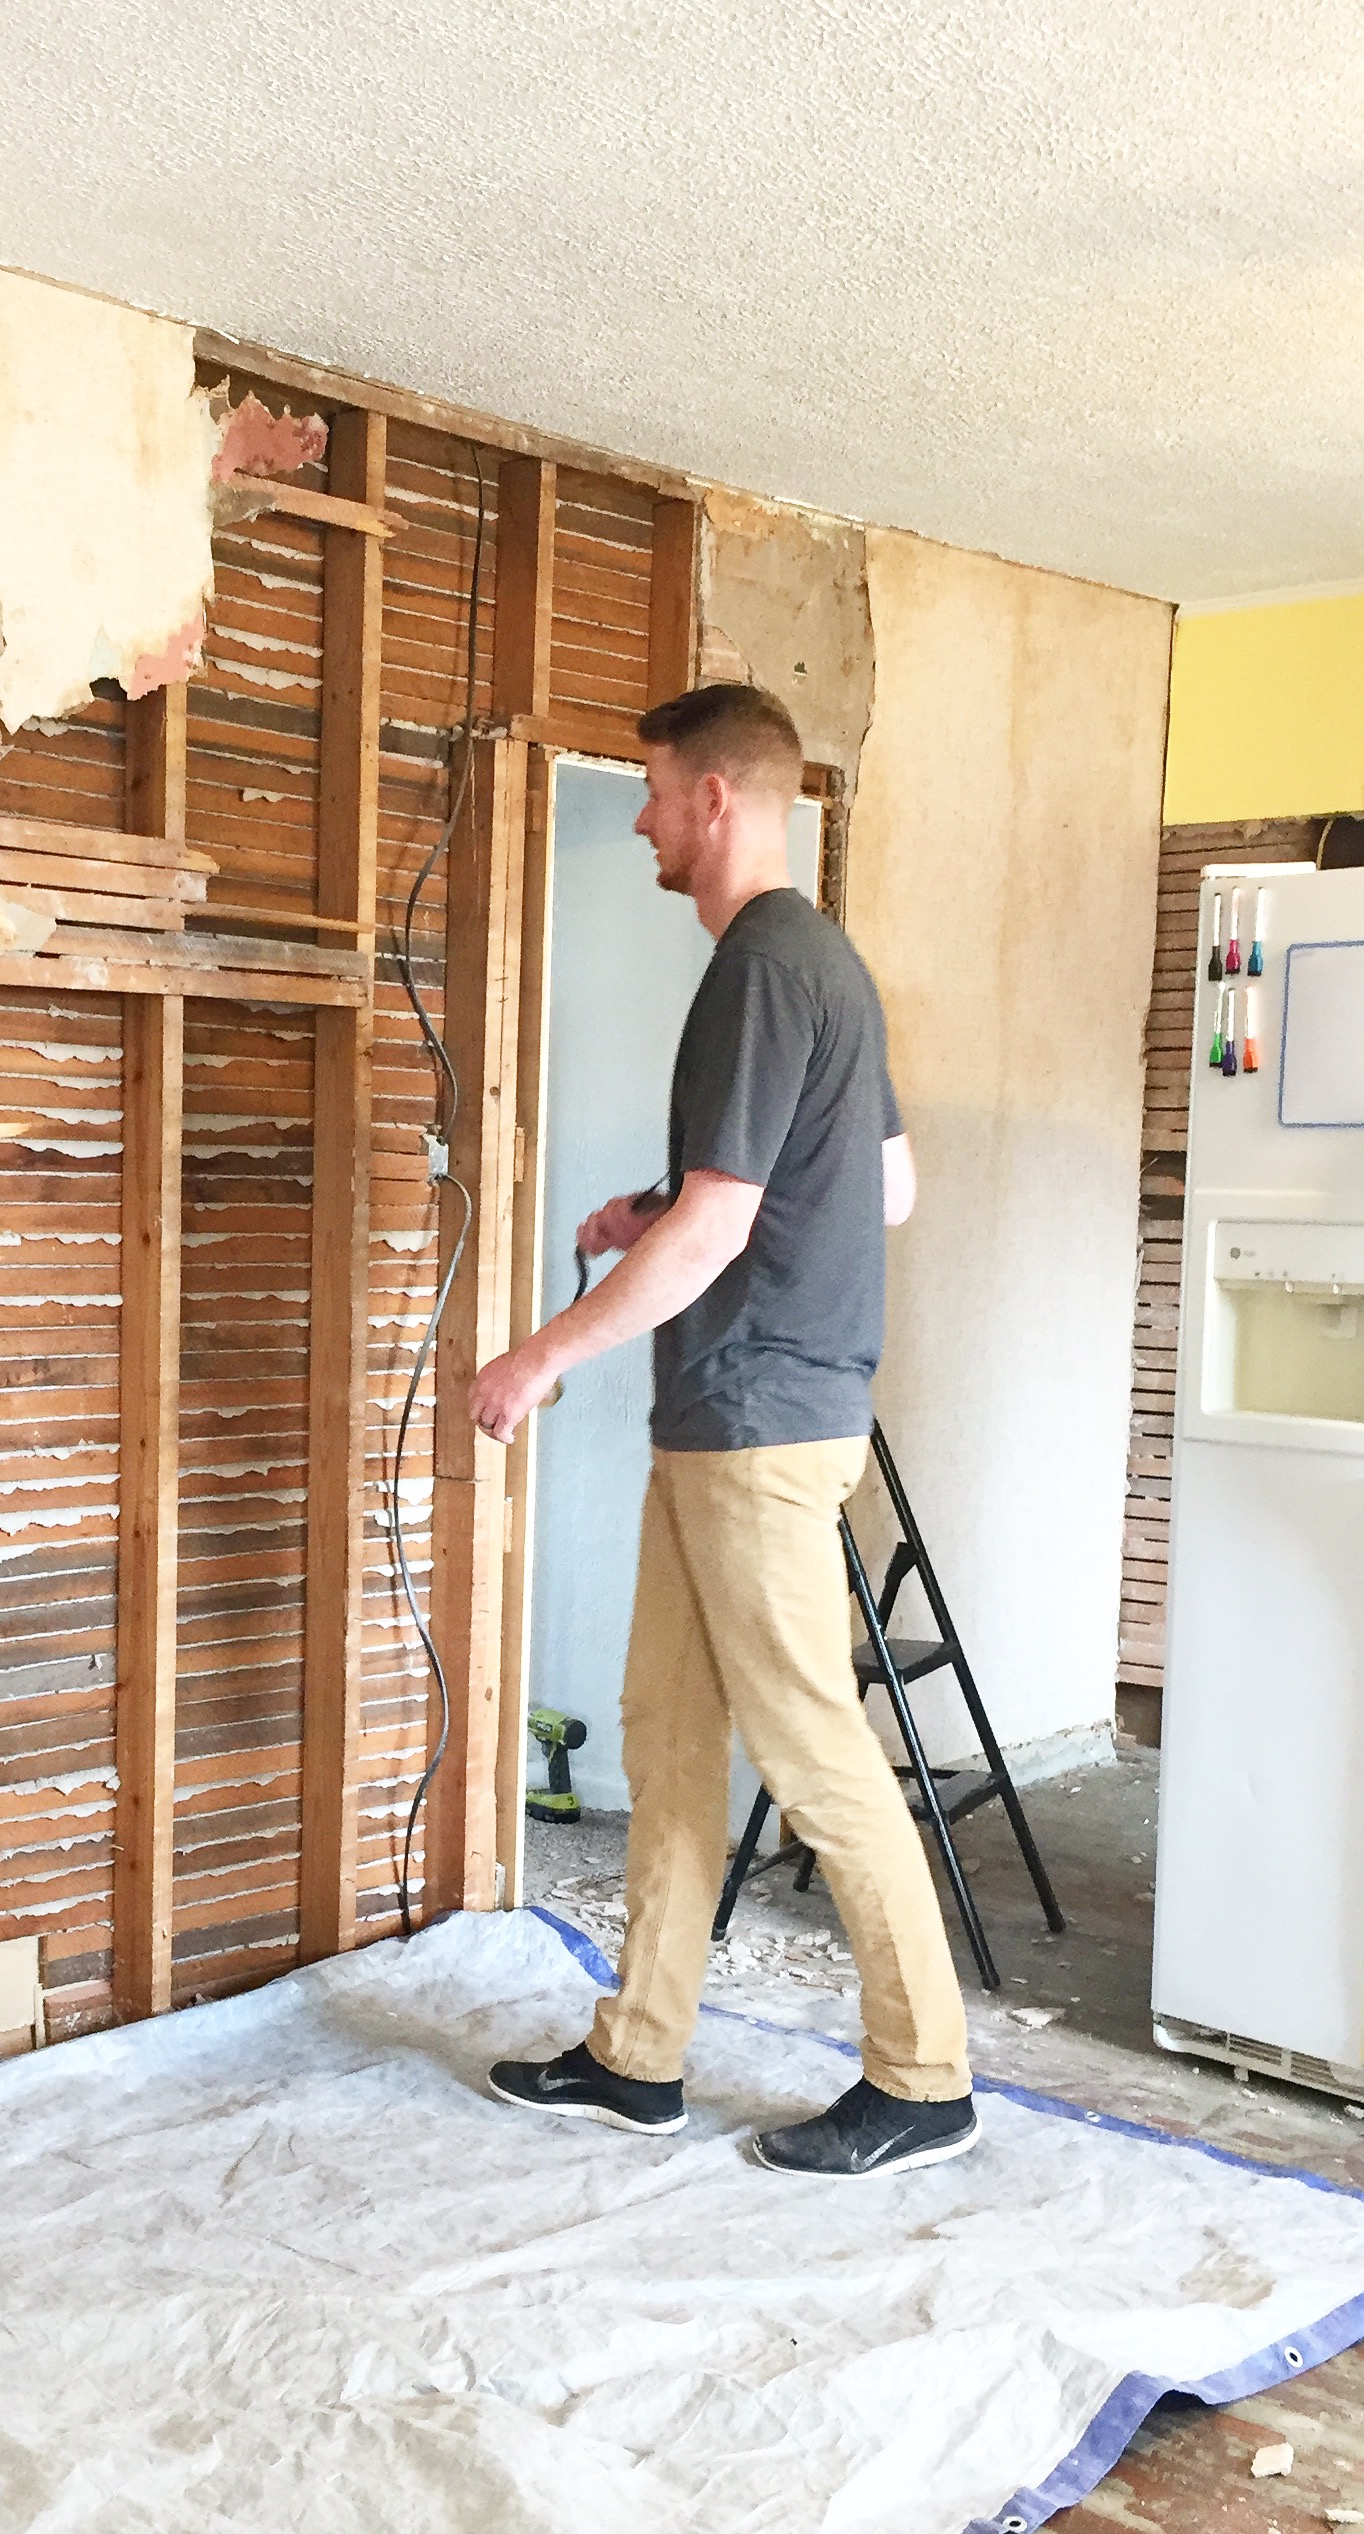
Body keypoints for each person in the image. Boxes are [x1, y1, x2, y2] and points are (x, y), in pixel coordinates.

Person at [471, 682, 976, 2177]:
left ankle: (924, 2076)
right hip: (741, 1414)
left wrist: (540, 1358)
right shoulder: (826, 962)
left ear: (716, 798)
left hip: (754, 1418)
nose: (634, 816)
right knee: (671, 1739)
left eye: (649, 789)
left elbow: (724, 1226)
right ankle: (640, 2055)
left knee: (809, 1744)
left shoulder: (761, 966)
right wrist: (663, 1206)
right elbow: (877, 1190)